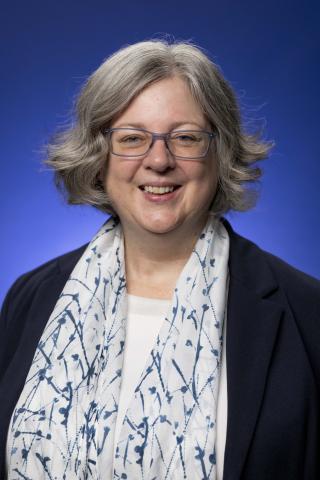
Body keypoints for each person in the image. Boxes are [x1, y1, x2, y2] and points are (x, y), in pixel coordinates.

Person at [1, 39, 319, 480]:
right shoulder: (31, 297)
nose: (158, 160)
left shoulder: (307, 311)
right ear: (98, 157)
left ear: (220, 152)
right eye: (131, 138)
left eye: (185, 138)